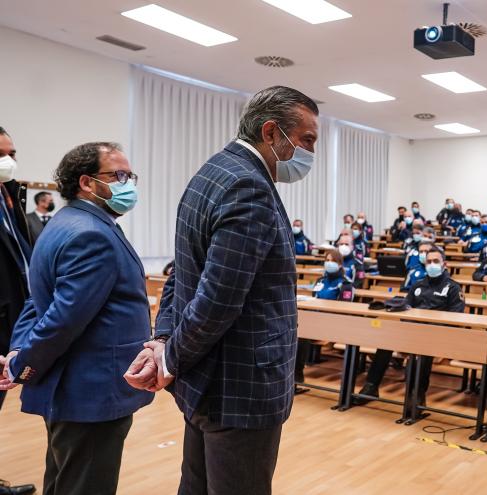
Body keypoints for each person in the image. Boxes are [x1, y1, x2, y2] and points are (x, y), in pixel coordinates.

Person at [128, 86, 318, 494]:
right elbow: (218, 299)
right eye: (306, 140)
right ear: (271, 133)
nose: (309, 152)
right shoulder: (249, 187)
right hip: (240, 387)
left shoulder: (210, 173)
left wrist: (164, 342)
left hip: (206, 382)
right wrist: (168, 359)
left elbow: (182, 272)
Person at [1, 142, 153, 495]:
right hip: (90, 391)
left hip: (72, 389)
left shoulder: (65, 223)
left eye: (129, 176)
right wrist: (22, 363)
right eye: (118, 175)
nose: (127, 183)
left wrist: (17, 351)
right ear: (86, 182)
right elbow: (62, 318)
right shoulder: (91, 234)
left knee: (64, 479)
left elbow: (36, 301)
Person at [355, 247, 465, 404]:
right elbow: (406, 308)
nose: (431, 264)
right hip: (412, 332)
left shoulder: (453, 288)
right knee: (385, 343)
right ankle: (371, 387)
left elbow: (456, 317)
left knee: (423, 349)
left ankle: (417, 395)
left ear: (444, 264)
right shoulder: (418, 285)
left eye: (435, 261)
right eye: (429, 262)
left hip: (437, 335)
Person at [0, 126, 33, 415]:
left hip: (11, 324)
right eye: (0, 155)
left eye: (11, 154)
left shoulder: (9, 196)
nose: (8, 161)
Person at [296, 249, 355, 390]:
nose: (329, 263)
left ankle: (296, 376)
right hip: (316, 319)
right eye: (327, 260)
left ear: (340, 264)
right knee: (297, 330)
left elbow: (344, 308)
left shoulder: (345, 283)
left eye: (333, 261)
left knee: (302, 333)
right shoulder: (320, 280)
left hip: (333, 322)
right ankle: (293, 377)